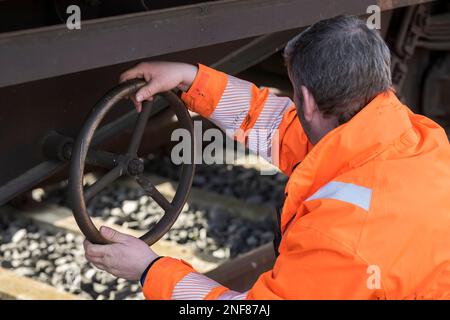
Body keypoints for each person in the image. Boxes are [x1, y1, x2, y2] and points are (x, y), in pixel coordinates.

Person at [84, 15, 450, 299]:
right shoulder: (417, 139)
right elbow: (280, 128)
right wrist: (189, 79)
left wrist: (149, 270)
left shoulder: (339, 238)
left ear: (305, 100)